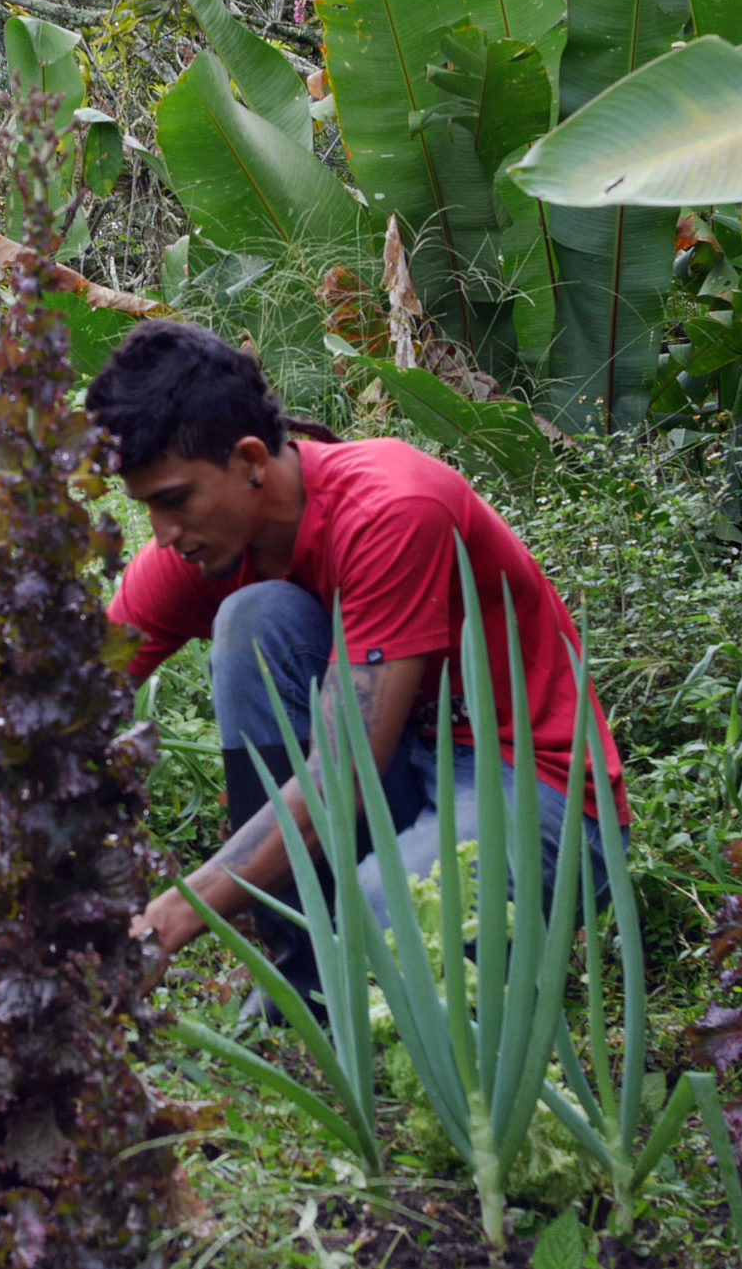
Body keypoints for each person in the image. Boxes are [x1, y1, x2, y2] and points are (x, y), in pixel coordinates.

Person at [91, 321, 631, 1013]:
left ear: (252, 458)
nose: (163, 534)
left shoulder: (392, 509)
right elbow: (80, 690)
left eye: (173, 500)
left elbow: (340, 784)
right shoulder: (205, 544)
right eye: (147, 507)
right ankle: (305, 961)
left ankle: (359, 961)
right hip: (403, 770)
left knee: (387, 916)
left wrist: (177, 912)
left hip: (534, 791)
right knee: (254, 620)